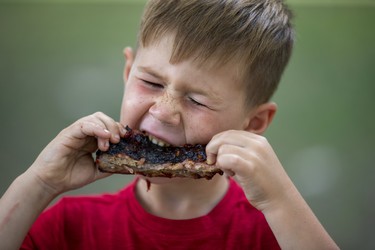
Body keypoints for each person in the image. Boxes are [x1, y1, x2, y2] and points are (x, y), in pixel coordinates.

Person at [0, 0, 339, 249]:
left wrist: (281, 201)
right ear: (127, 71)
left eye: (197, 101)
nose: (163, 112)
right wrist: (39, 183)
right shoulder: (71, 227)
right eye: (150, 82)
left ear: (253, 122)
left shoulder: (277, 231)